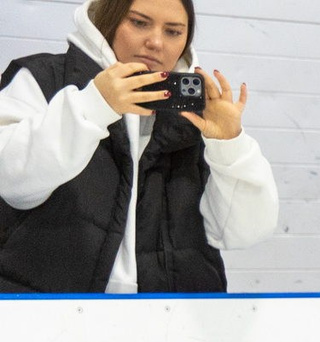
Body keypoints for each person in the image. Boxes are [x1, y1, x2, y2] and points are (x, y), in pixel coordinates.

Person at [0, 0, 276, 293]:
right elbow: (10, 179)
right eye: (139, 22)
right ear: (109, 20)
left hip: (171, 324)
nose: (156, 42)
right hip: (50, 318)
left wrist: (229, 146)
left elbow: (245, 233)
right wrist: (94, 107)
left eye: (173, 32)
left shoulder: (196, 116)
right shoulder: (43, 79)